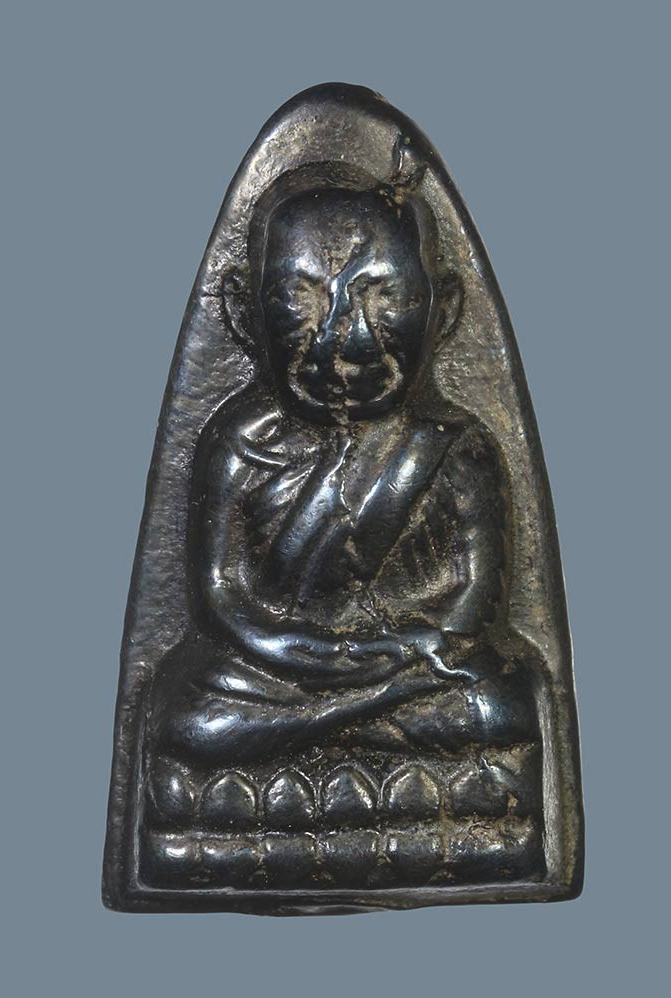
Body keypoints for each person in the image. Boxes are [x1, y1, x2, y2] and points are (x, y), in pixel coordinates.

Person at [149, 177, 538, 770]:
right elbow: (223, 601)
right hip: (280, 673)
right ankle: (345, 722)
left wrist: (405, 652)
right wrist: (333, 658)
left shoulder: (453, 448)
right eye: (300, 297)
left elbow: (474, 604)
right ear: (244, 313)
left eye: (385, 297)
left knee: (500, 703)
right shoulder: (240, 445)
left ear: (444, 310)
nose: (344, 338)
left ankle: (316, 731)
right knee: (190, 716)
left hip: (412, 668)